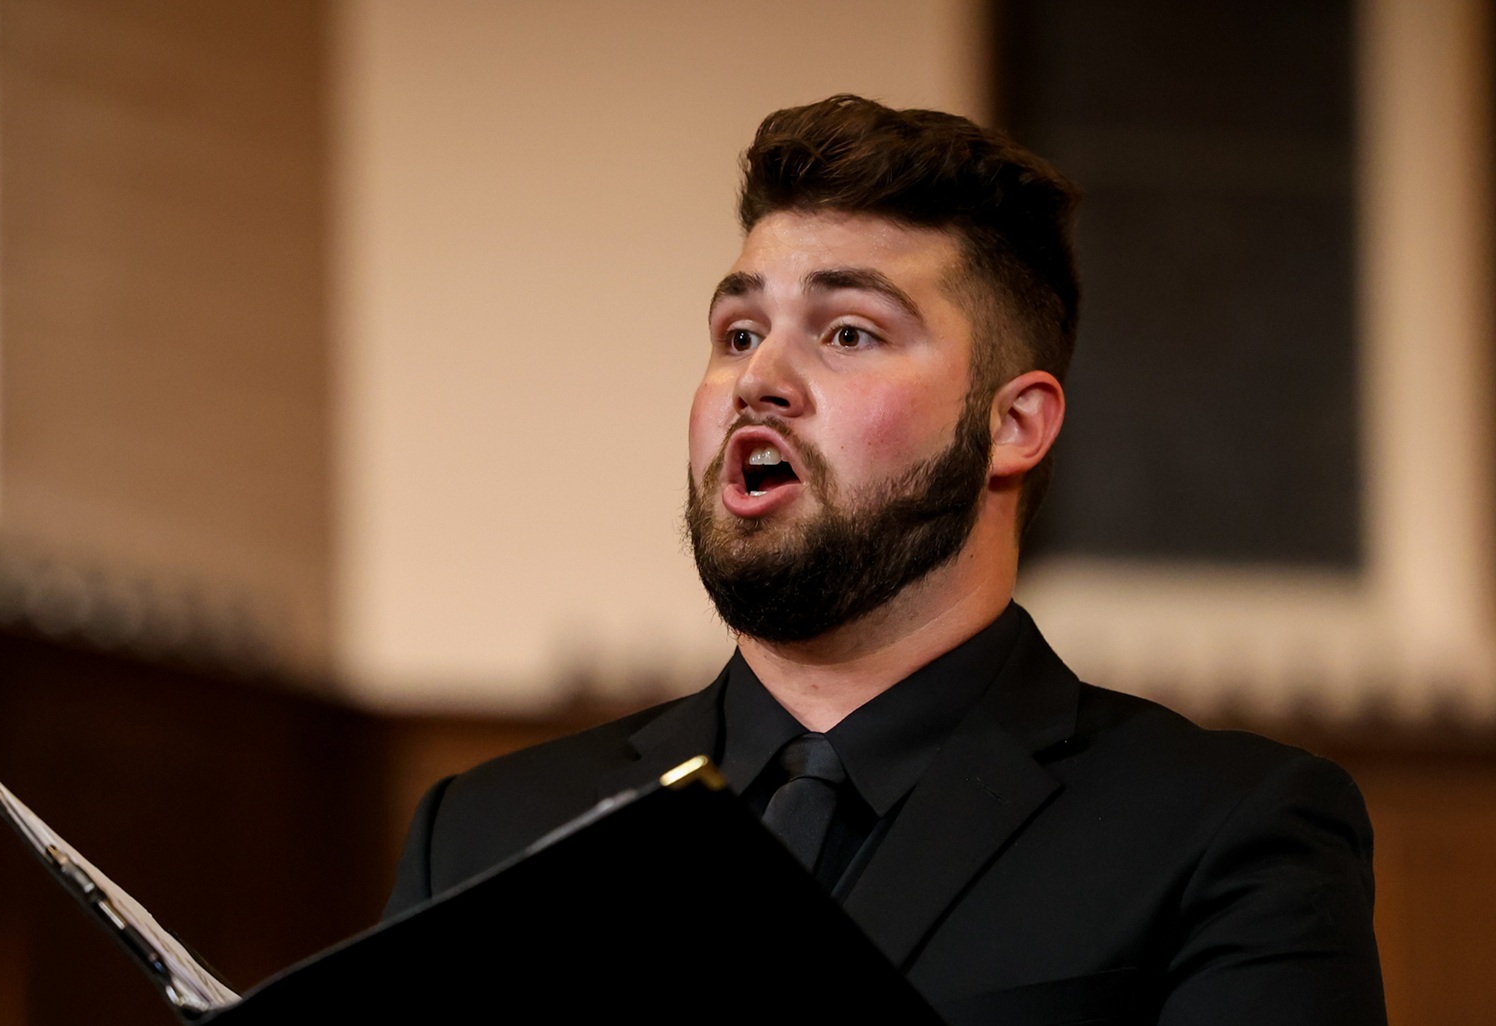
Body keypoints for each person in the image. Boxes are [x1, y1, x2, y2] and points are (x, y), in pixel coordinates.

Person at [383, 95, 1385, 1025]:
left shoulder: (1223, 834)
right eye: (738, 333)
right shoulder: (487, 835)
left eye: (849, 332)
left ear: (1013, 426)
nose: (759, 380)